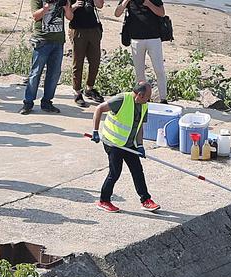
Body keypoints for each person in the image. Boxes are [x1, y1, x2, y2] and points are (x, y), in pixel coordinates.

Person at [89, 81, 161, 213]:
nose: (148, 100)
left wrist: (139, 145)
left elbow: (139, 127)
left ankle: (145, 200)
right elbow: (99, 109)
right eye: (147, 97)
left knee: (137, 170)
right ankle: (103, 201)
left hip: (128, 144)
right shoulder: (121, 100)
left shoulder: (144, 105)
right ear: (139, 95)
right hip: (113, 143)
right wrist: (95, 131)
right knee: (115, 172)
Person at [20, 0, 74, 114]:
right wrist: (47, 7)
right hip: (42, 40)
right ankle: (28, 103)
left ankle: (47, 102)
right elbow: (35, 16)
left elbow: (70, 17)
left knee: (54, 73)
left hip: (58, 41)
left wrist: (66, 8)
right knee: (35, 73)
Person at [115, 0, 168, 103]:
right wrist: (125, 2)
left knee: (159, 70)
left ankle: (163, 98)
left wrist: (149, 4)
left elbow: (162, 12)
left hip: (154, 38)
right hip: (136, 39)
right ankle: (142, 98)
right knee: (139, 72)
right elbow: (117, 13)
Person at [69, 0, 105, 107]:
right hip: (77, 29)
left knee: (95, 61)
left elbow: (100, 5)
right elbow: (67, 14)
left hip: (93, 29)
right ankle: (77, 91)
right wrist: (75, 6)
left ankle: (89, 88)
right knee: (78, 62)